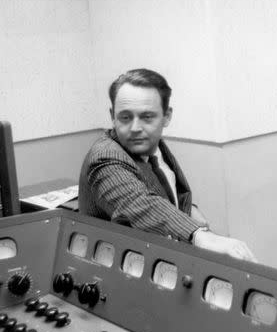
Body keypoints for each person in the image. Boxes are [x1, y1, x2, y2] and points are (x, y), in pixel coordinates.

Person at [79, 68, 256, 262]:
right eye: (125, 117)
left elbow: (165, 188)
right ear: (112, 115)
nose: (135, 128)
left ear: (166, 117)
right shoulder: (105, 157)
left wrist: (188, 210)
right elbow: (140, 203)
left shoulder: (150, 145)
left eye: (147, 117)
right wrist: (198, 235)